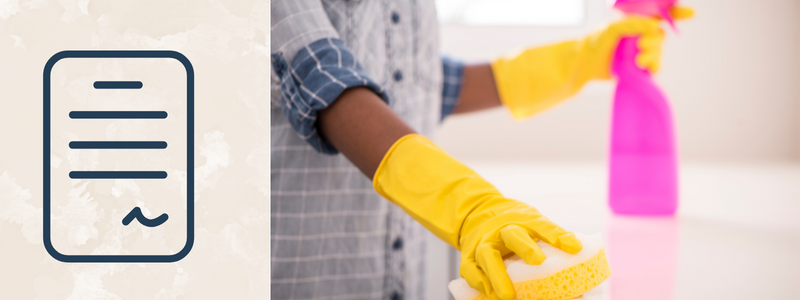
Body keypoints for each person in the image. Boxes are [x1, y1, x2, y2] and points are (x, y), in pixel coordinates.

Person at [270, 1, 693, 300]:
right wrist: (470, 206)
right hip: (307, 278)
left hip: (403, 278)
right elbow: (326, 85)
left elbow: (428, 84)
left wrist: (581, 60)